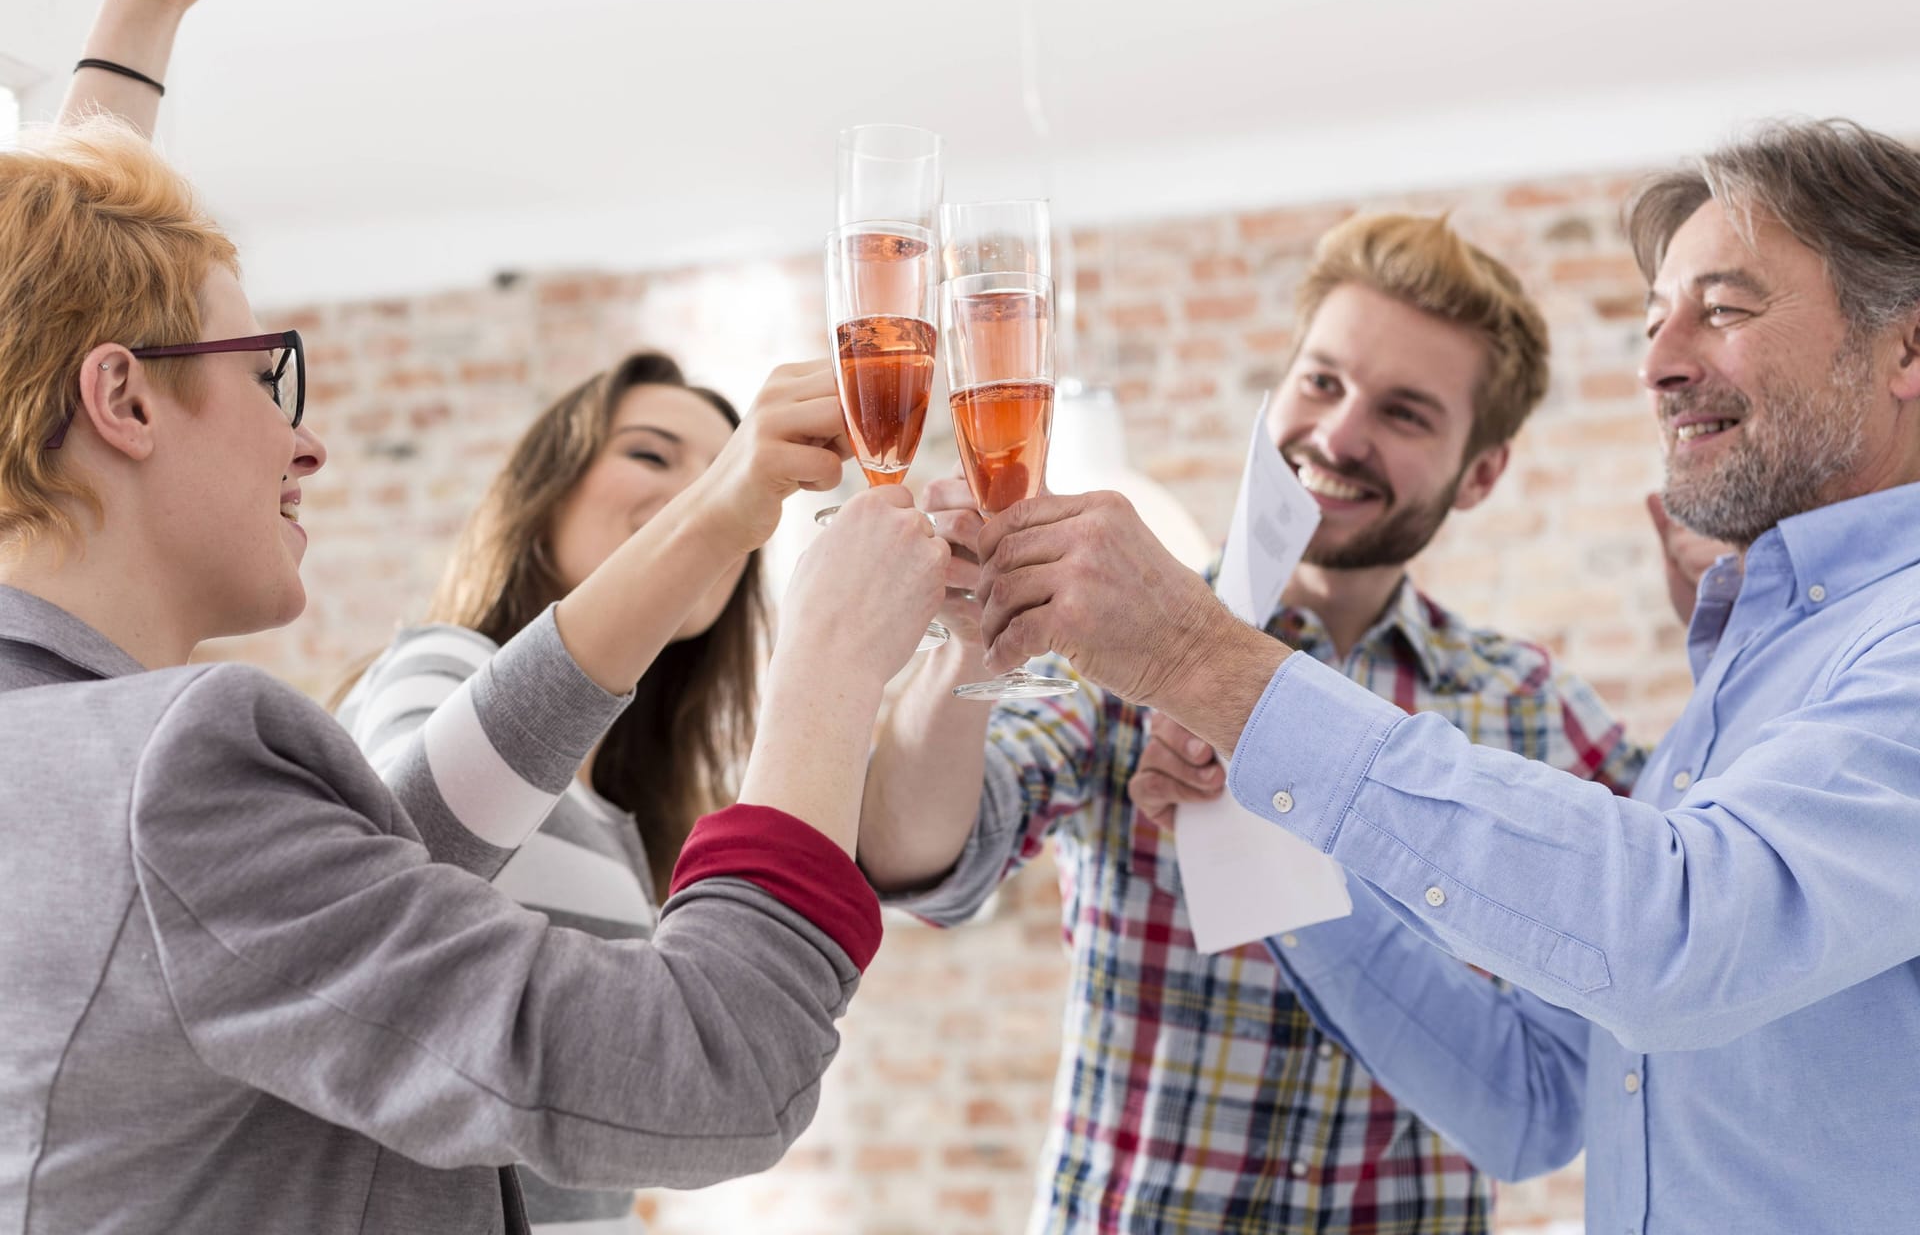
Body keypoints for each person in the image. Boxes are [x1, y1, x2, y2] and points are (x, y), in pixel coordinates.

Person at [0, 83, 945, 1235]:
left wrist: (723, 514)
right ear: (124, 397)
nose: (309, 440)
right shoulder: (175, 769)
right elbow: (715, 1059)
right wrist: (829, 668)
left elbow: (391, 860)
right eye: (265, 373)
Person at [974, 118, 1920, 1234]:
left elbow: (1676, 929)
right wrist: (1277, 809)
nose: (1658, 364)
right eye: (1656, 317)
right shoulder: (1745, 675)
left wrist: (1208, 664)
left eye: (1724, 308)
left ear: (1906, 349)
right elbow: (1531, 1099)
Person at [857, 211, 1644, 1234]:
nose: (1339, 433)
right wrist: (968, 635)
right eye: (1322, 381)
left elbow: (1552, 1099)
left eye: (1404, 412)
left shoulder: (1535, 715)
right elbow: (922, 856)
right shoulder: (1121, 628)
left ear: (1482, 470)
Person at [334, 350, 779, 1232]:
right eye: (652, 455)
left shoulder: (614, 811)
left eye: (725, 473)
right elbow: (385, 895)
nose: (703, 495)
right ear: (544, 494)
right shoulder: (442, 663)